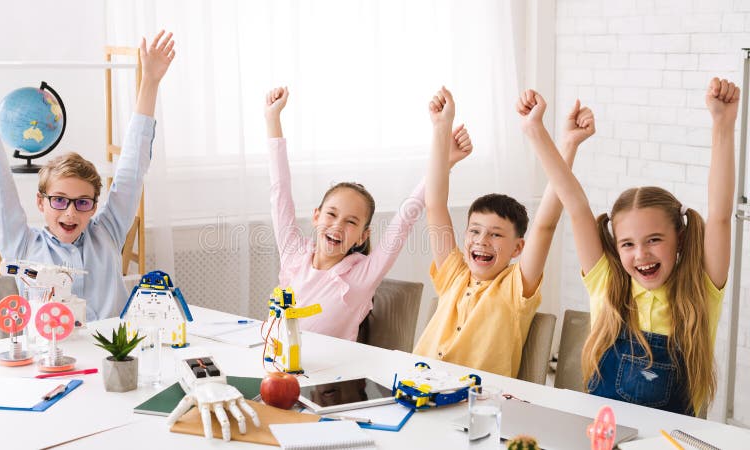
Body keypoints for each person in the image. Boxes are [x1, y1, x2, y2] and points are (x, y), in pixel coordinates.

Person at [523, 78, 739, 415]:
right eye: (627, 244)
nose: (641, 254)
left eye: (654, 239)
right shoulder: (607, 283)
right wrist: (536, 130)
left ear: (679, 237)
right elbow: (576, 205)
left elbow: (722, 215)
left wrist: (723, 125)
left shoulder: (700, 289)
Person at [0, 30, 175, 320]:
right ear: (41, 202)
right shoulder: (21, 244)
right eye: (59, 200)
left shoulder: (107, 234)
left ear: (94, 206)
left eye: (83, 202)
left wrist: (150, 81)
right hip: (49, 360)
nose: (71, 213)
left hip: (111, 359)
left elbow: (133, 167)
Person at [264, 86, 472, 341]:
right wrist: (273, 119)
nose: (338, 226)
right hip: (274, 366)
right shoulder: (293, 255)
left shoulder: (361, 276)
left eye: (351, 222)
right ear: (316, 216)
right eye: (331, 214)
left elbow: (405, 217)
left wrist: (445, 161)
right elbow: (280, 193)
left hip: (328, 379)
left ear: (362, 237)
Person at [413, 87, 592, 378]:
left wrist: (569, 145)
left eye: (496, 235)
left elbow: (546, 224)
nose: (482, 241)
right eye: (475, 231)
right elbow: (434, 204)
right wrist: (440, 128)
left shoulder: (515, 288)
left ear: (518, 248)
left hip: (473, 402)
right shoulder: (454, 275)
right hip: (416, 384)